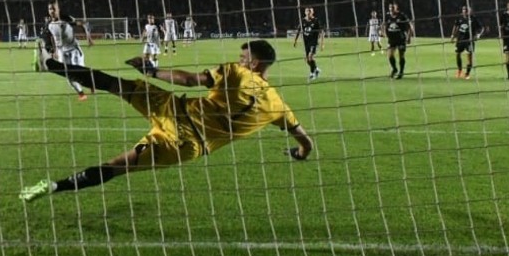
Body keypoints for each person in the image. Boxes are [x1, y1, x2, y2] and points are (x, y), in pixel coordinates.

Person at [20, 40, 314, 203]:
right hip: (187, 147)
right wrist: (298, 154)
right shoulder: (279, 106)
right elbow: (306, 143)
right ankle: (54, 187)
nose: (238, 60)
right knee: (117, 165)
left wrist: (151, 70)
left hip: (176, 111)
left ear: (255, 64)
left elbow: (190, 80)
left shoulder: (238, 73)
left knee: (115, 85)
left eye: (243, 57)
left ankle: (50, 64)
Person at [44, 2, 88, 101]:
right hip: (61, 52)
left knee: (80, 72)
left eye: (54, 9)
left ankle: (92, 83)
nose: (52, 11)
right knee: (68, 75)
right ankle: (81, 94)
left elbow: (81, 24)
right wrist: (54, 50)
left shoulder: (66, 18)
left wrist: (88, 38)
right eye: (50, 9)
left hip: (74, 49)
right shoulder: (49, 24)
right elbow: (52, 37)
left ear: (58, 9)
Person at [449, 5, 486, 79]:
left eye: (466, 10)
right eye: (463, 10)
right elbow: (455, 26)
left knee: (469, 56)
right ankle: (459, 71)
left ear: (470, 11)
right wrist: (453, 35)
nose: (464, 11)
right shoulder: (459, 18)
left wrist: (478, 35)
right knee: (458, 54)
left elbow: (482, 28)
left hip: (469, 40)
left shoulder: (474, 18)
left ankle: (467, 74)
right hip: (460, 39)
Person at [292, 7, 325, 81]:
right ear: (305, 12)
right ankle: (316, 69)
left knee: (310, 57)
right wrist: (295, 41)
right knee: (307, 60)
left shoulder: (316, 21)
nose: (309, 12)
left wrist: (322, 44)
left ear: (312, 12)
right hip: (306, 42)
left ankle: (312, 74)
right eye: (307, 11)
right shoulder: (302, 21)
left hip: (313, 42)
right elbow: (298, 31)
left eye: (310, 11)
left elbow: (322, 32)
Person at [382, 1, 414, 79]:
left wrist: (409, 37)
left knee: (401, 55)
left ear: (396, 8)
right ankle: (395, 69)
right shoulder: (387, 16)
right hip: (391, 40)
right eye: (390, 7)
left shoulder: (402, 15)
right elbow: (383, 25)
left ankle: (401, 72)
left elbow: (410, 25)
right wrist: (383, 33)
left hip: (401, 39)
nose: (391, 9)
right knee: (390, 55)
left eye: (393, 7)